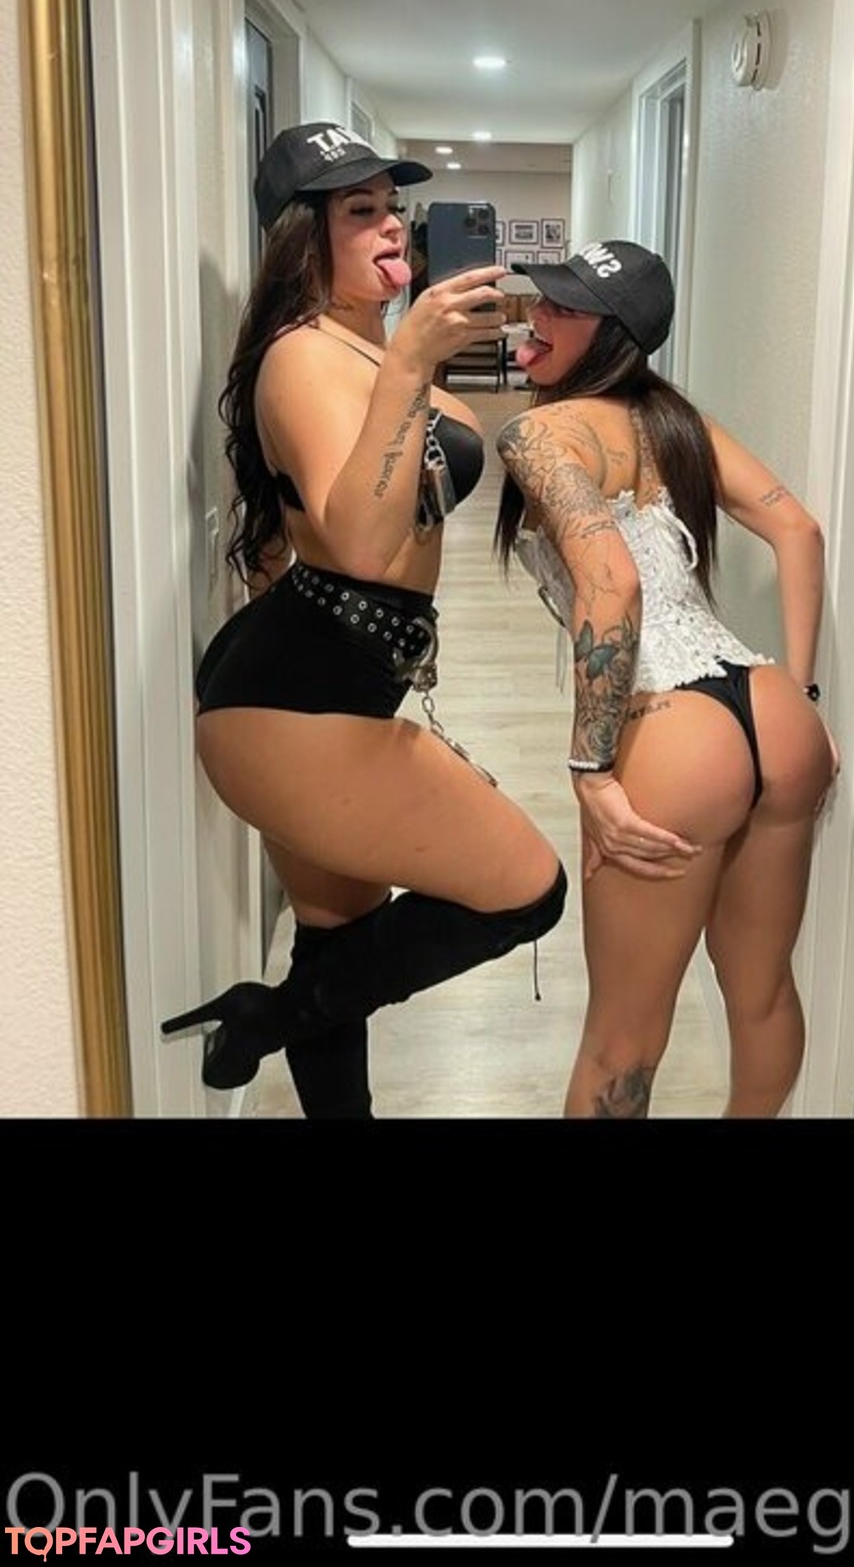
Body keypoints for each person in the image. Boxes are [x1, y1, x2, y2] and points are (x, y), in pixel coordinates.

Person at [161, 121, 567, 1115]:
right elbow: (359, 545)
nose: (391, 226)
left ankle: (304, 1053)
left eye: (393, 207)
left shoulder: (356, 344)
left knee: (337, 940)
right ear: (304, 235)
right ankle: (263, 1018)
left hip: (322, 678)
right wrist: (411, 363)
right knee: (529, 888)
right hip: (294, 702)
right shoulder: (302, 357)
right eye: (360, 210)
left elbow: (285, 529)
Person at [494, 238, 840, 1119]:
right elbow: (799, 531)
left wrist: (591, 769)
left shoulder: (539, 433)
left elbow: (612, 584)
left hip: (673, 733)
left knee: (619, 1041)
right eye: (542, 298)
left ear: (613, 335)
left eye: (565, 308)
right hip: (770, 709)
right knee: (762, 990)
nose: (537, 316)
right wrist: (803, 697)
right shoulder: (675, 422)